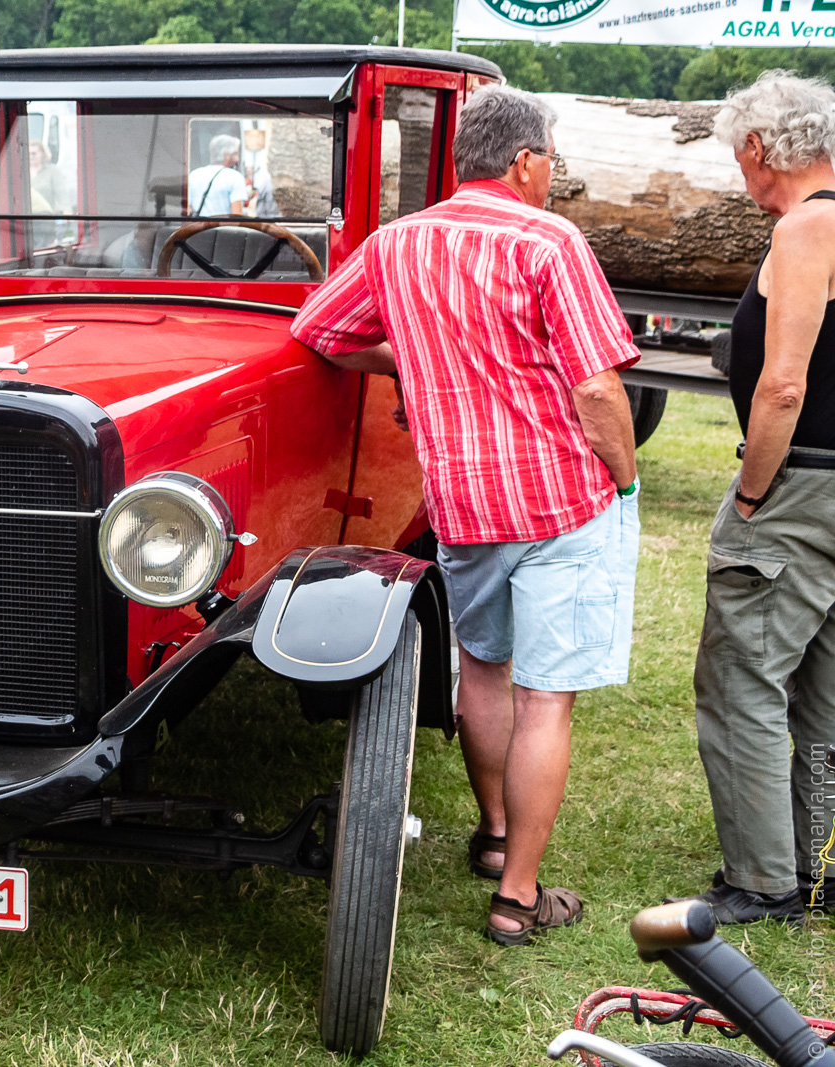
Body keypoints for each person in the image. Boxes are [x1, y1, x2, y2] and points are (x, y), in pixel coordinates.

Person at [290, 85, 641, 946]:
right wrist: (625, 477)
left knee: (483, 667)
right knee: (546, 696)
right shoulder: (549, 240)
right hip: (561, 496)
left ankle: (491, 832)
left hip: (463, 500)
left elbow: (319, 331)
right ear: (525, 162)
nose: (552, 175)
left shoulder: (397, 241)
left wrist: (409, 356)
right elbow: (597, 384)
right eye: (551, 159)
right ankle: (518, 895)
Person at [669, 71, 835, 927]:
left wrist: (751, 492)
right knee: (825, 690)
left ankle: (765, 881)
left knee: (742, 680)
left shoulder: (810, 227)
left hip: (802, 482)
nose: (741, 175)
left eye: (739, 156)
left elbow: (781, 385)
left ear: (761, 149)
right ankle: (819, 862)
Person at [188, 134, 246, 216]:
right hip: (225, 228)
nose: (238, 159)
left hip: (199, 228)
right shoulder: (235, 177)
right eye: (235, 154)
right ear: (227, 155)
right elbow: (237, 216)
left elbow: (187, 209)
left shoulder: (193, 175)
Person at [28, 140, 71, 214]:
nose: (31, 156)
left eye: (34, 153)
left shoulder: (53, 171)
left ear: (42, 153)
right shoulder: (20, 173)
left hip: (46, 216)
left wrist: (66, 211)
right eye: (28, 154)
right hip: (25, 217)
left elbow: (61, 193)